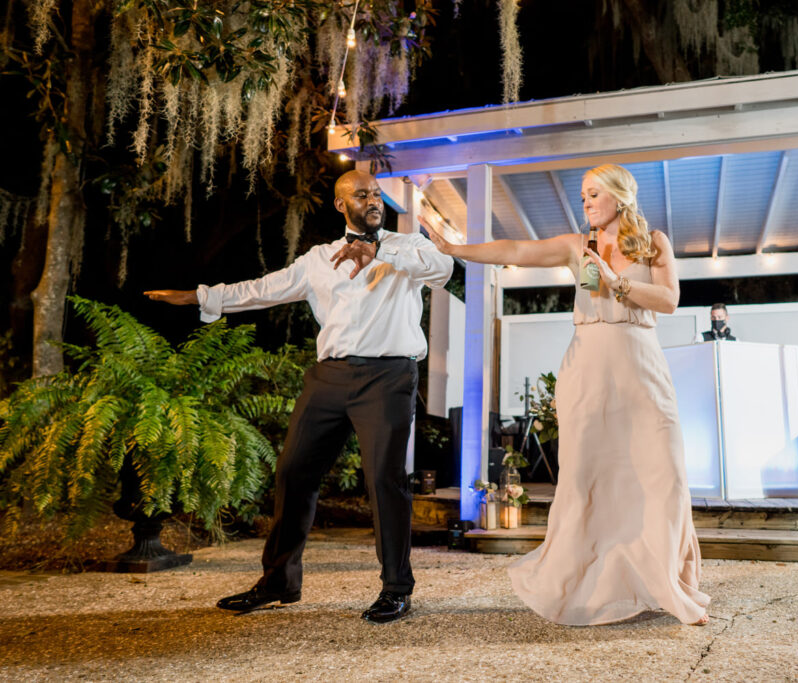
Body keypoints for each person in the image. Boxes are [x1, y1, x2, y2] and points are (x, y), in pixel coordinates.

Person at [144, 170, 453, 623]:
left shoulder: (409, 246)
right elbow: (262, 289)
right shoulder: (318, 259)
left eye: (376, 194)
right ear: (339, 204)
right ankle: (279, 581)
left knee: (384, 481)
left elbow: (442, 270)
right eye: (361, 194)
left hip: (388, 377)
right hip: (328, 378)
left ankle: (396, 589)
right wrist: (199, 296)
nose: (372, 200)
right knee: (292, 474)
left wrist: (380, 251)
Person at [423, 163, 710, 626]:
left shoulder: (654, 242)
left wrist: (617, 282)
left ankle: (664, 578)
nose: (587, 203)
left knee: (665, 472)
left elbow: (670, 300)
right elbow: (515, 248)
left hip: (641, 367)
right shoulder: (577, 247)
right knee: (586, 477)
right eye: (582, 196)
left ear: (619, 196)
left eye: (593, 194)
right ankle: (589, 581)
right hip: (588, 370)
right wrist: (455, 249)